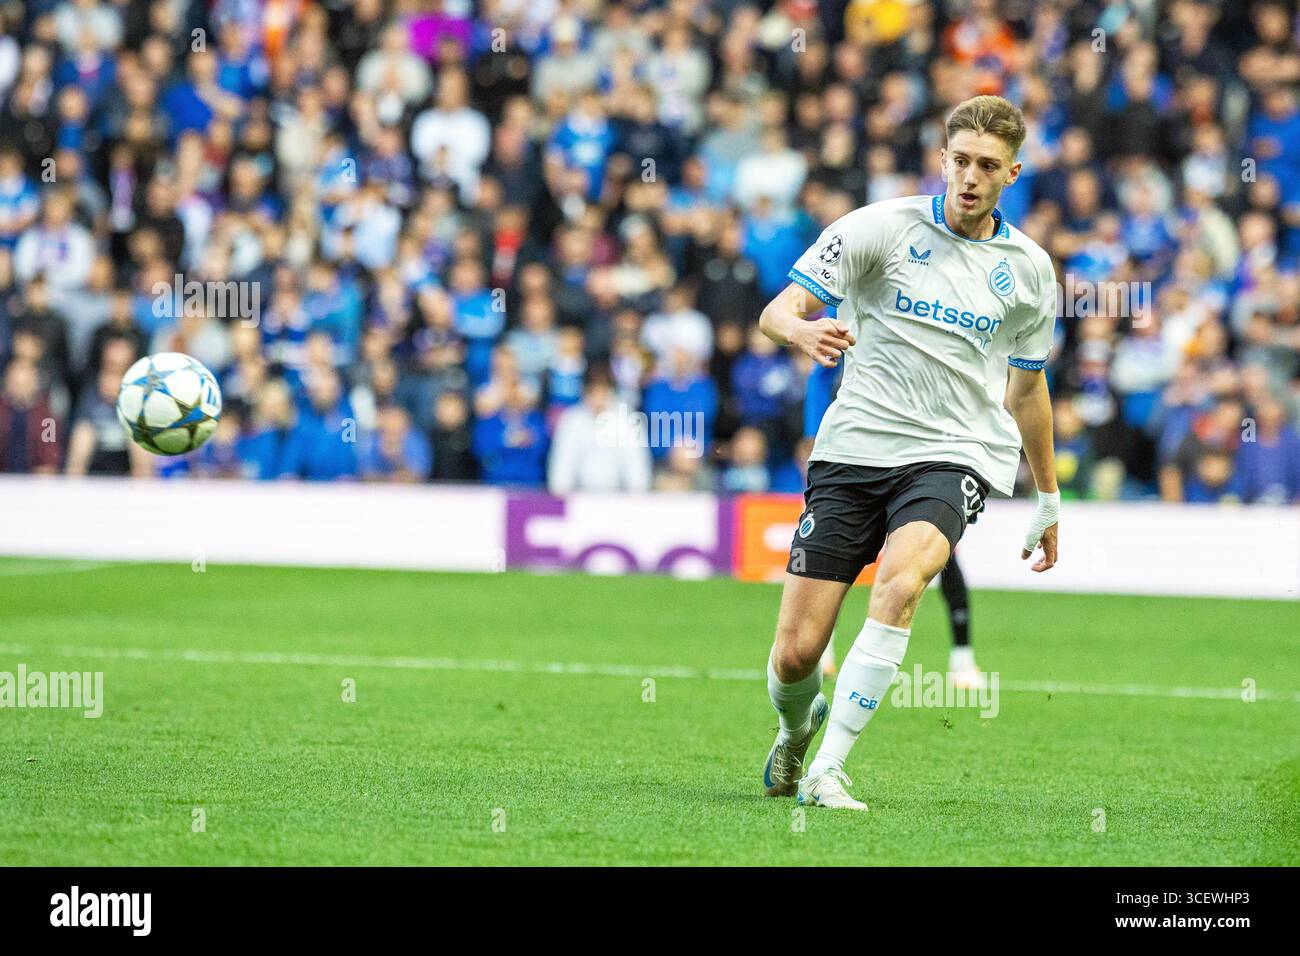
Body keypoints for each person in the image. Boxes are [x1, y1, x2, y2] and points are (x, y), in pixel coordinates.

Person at [757, 96, 1060, 811]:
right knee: (796, 655)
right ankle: (797, 729)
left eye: (988, 166)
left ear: (1012, 173)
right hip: (855, 448)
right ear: (943, 159)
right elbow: (778, 311)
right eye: (961, 161)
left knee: (902, 581)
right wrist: (800, 335)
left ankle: (829, 769)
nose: (971, 177)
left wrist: (1047, 496)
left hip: (955, 454)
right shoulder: (876, 228)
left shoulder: (1030, 270)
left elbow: (1027, 391)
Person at [806, 359, 985, 690]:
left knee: (942, 556)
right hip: (856, 458)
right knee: (838, 557)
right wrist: (812, 433)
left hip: (922, 461)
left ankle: (962, 657)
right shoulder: (851, 315)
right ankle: (822, 651)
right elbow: (820, 375)